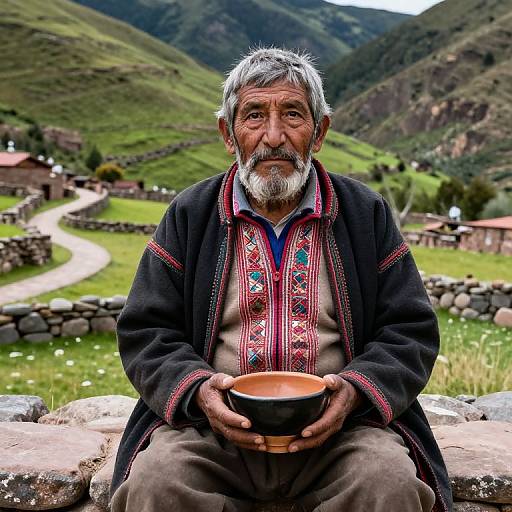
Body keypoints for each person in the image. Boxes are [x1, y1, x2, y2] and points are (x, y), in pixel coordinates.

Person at [110, 48, 452, 512]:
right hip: (212, 435)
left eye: (293, 114)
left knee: (387, 481)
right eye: (254, 116)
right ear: (228, 135)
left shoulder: (363, 214)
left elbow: (409, 331)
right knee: (158, 483)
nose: (274, 136)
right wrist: (197, 390)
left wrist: (353, 391)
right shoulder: (191, 215)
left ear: (320, 131)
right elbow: (146, 331)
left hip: (341, 433)